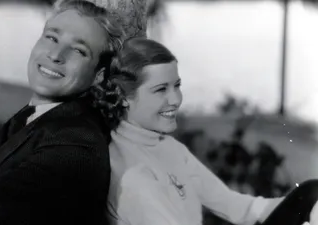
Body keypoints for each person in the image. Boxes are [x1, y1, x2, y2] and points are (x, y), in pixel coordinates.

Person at [0, 1, 125, 224]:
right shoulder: (39, 115)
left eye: (78, 50)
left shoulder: (76, 146)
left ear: (98, 75)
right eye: (52, 37)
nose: (56, 55)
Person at [89, 37, 318, 225]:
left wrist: (309, 211)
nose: (175, 99)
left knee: (312, 192)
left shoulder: (167, 147)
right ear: (125, 97)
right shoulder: (133, 176)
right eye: (161, 90)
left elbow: (237, 207)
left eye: (177, 85)